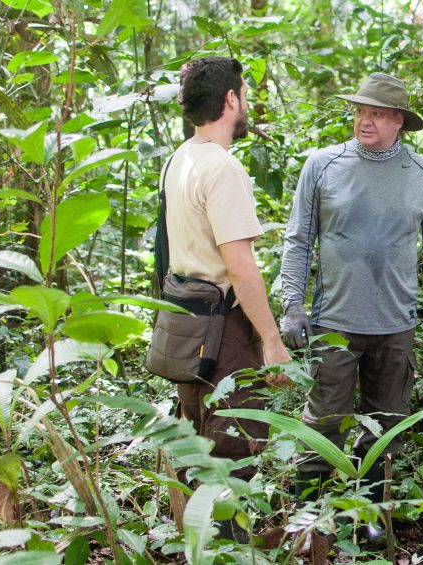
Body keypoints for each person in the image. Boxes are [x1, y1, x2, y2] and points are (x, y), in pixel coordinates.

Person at [278, 72, 423, 507]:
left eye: (377, 114)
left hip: (396, 324)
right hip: (334, 322)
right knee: (324, 421)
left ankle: (374, 514)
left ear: (399, 120)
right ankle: (310, 515)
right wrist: (292, 305)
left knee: (388, 425)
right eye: (361, 111)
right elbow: (298, 239)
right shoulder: (323, 165)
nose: (365, 120)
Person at [163, 56, 291, 483]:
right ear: (232, 98)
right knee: (233, 453)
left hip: (186, 326)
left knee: (196, 444)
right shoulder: (222, 168)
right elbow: (240, 267)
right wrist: (271, 340)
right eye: (245, 95)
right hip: (224, 331)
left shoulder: (180, 158)